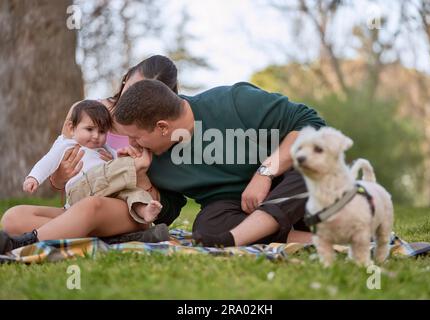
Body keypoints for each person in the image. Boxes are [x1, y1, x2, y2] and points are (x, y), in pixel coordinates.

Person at [112, 79, 326, 247]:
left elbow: (312, 124)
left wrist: (265, 172)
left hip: (295, 193)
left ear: (163, 127)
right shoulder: (151, 159)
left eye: (135, 136)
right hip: (236, 209)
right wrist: (141, 178)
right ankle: (311, 240)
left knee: (312, 163)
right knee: (207, 228)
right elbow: (166, 214)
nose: (131, 143)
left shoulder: (234, 101)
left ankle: (234, 239)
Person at [0, 56, 181, 254]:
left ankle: (20, 244)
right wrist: (59, 177)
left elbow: (161, 203)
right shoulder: (84, 110)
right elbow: (60, 176)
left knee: (91, 206)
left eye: (146, 96)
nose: (134, 99)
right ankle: (114, 238)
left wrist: (137, 172)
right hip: (79, 204)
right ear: (125, 79)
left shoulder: (157, 129)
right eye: (132, 89)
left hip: (127, 209)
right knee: (13, 218)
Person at [23, 99, 162, 225]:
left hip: (107, 189)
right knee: (124, 174)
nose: (96, 136)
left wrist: (120, 157)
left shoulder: (104, 148)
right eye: (89, 129)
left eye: (102, 132)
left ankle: (144, 210)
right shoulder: (67, 145)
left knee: (130, 192)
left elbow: (117, 161)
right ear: (72, 128)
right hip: (81, 188)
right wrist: (34, 177)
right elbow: (48, 161)